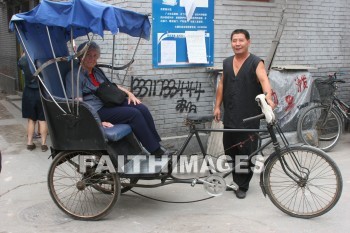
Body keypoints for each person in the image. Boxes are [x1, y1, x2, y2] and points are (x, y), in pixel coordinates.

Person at [65, 41, 167, 156]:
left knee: (141, 108)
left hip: (109, 103)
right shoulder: (74, 75)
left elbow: (111, 86)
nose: (92, 58)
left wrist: (129, 94)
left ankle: (156, 144)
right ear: (80, 57)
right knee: (133, 114)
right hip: (97, 110)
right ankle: (155, 151)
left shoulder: (97, 71)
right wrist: (96, 121)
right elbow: (78, 104)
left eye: (94, 55)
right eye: (88, 55)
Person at [214, 29, 275, 199]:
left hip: (248, 116)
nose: (237, 44)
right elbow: (221, 86)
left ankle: (243, 185)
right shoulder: (227, 63)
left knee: (245, 152)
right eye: (234, 40)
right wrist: (217, 106)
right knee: (230, 150)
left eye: (241, 40)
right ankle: (236, 179)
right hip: (230, 115)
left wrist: (268, 96)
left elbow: (264, 81)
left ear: (248, 41)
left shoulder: (256, 62)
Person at [18, 52, 48, 152]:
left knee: (31, 119)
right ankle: (43, 144)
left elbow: (20, 65)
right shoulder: (41, 57)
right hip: (41, 91)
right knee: (42, 119)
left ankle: (30, 143)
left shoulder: (23, 59)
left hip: (29, 92)